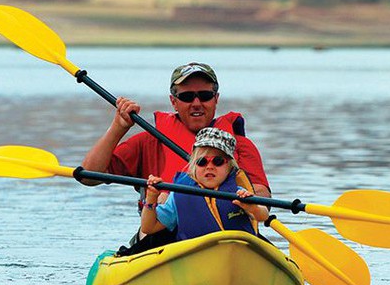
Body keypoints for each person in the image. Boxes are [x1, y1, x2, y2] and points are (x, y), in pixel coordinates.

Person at [82, 61, 270, 197]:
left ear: (216, 99)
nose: (196, 103)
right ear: (173, 101)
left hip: (227, 230)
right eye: (187, 97)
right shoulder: (148, 142)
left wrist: (244, 196)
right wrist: (118, 127)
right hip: (164, 235)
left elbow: (263, 195)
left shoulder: (241, 145)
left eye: (204, 95)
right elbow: (89, 176)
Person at [140, 127, 269, 241]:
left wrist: (253, 208)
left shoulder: (239, 193)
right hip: (193, 256)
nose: (209, 167)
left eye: (217, 161)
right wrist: (151, 198)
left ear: (229, 167)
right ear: (194, 166)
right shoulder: (178, 196)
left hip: (237, 252)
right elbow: (148, 227)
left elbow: (263, 215)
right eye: (202, 162)